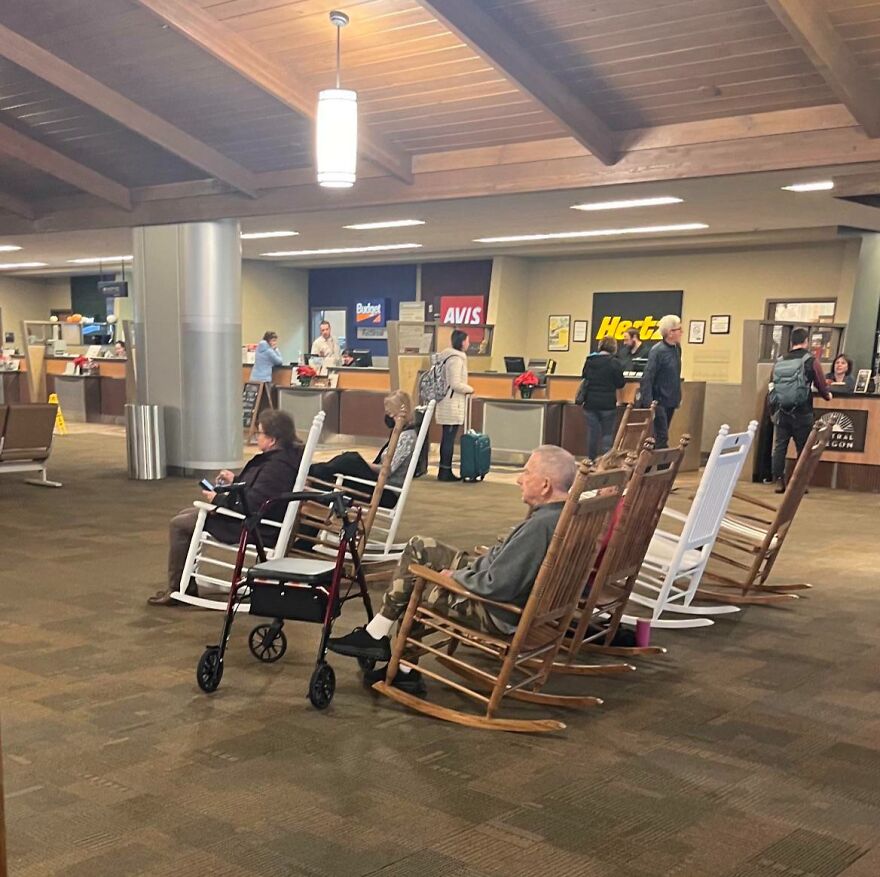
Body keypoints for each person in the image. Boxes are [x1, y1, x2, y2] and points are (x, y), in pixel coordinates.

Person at [327, 445, 577, 694]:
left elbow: (498, 585)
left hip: (496, 612)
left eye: (527, 473)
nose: (519, 479)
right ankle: (379, 635)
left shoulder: (539, 528)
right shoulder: (566, 516)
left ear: (545, 485)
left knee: (416, 583)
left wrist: (456, 577)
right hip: (506, 593)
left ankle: (400, 666)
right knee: (420, 546)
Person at [148, 410, 303, 606]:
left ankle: (178, 588)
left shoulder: (276, 467)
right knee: (186, 515)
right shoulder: (280, 460)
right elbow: (259, 492)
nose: (257, 437)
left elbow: (254, 503)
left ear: (272, 439)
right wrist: (236, 481)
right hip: (255, 520)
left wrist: (218, 499)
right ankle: (183, 584)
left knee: (179, 524)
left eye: (260, 433)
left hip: (254, 527)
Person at [309, 390, 418, 508]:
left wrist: (364, 464)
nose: (389, 417)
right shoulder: (400, 433)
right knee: (342, 467)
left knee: (351, 459)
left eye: (392, 413)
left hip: (386, 491)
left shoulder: (407, 437)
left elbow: (388, 469)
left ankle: (312, 471)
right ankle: (315, 477)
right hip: (379, 483)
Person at [769, 327, 831, 493]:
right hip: (803, 411)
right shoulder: (810, 360)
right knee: (803, 448)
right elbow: (820, 383)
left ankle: (779, 481)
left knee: (780, 446)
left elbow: (772, 384)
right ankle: (799, 484)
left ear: (791, 342)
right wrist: (827, 396)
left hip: (782, 410)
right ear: (806, 341)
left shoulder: (780, 360)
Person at [638, 314, 682, 449]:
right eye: (679, 329)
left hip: (671, 399)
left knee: (660, 436)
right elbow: (648, 377)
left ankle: (650, 467)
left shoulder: (677, 349)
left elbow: (674, 374)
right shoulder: (657, 351)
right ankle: (658, 467)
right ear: (670, 333)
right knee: (662, 436)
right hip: (659, 400)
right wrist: (648, 402)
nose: (682, 332)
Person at [436, 329, 473, 482]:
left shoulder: (446, 357)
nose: (469, 343)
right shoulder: (456, 359)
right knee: (449, 439)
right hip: (451, 403)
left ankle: (445, 469)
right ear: (462, 342)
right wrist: (470, 389)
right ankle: (445, 471)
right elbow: (455, 383)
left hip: (447, 401)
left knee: (447, 438)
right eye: (468, 340)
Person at [581, 337, 625, 460]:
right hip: (608, 403)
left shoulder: (590, 360)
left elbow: (584, 376)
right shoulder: (614, 362)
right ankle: (607, 461)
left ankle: (590, 461)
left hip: (590, 402)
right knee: (607, 434)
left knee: (592, 433)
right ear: (613, 347)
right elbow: (620, 383)